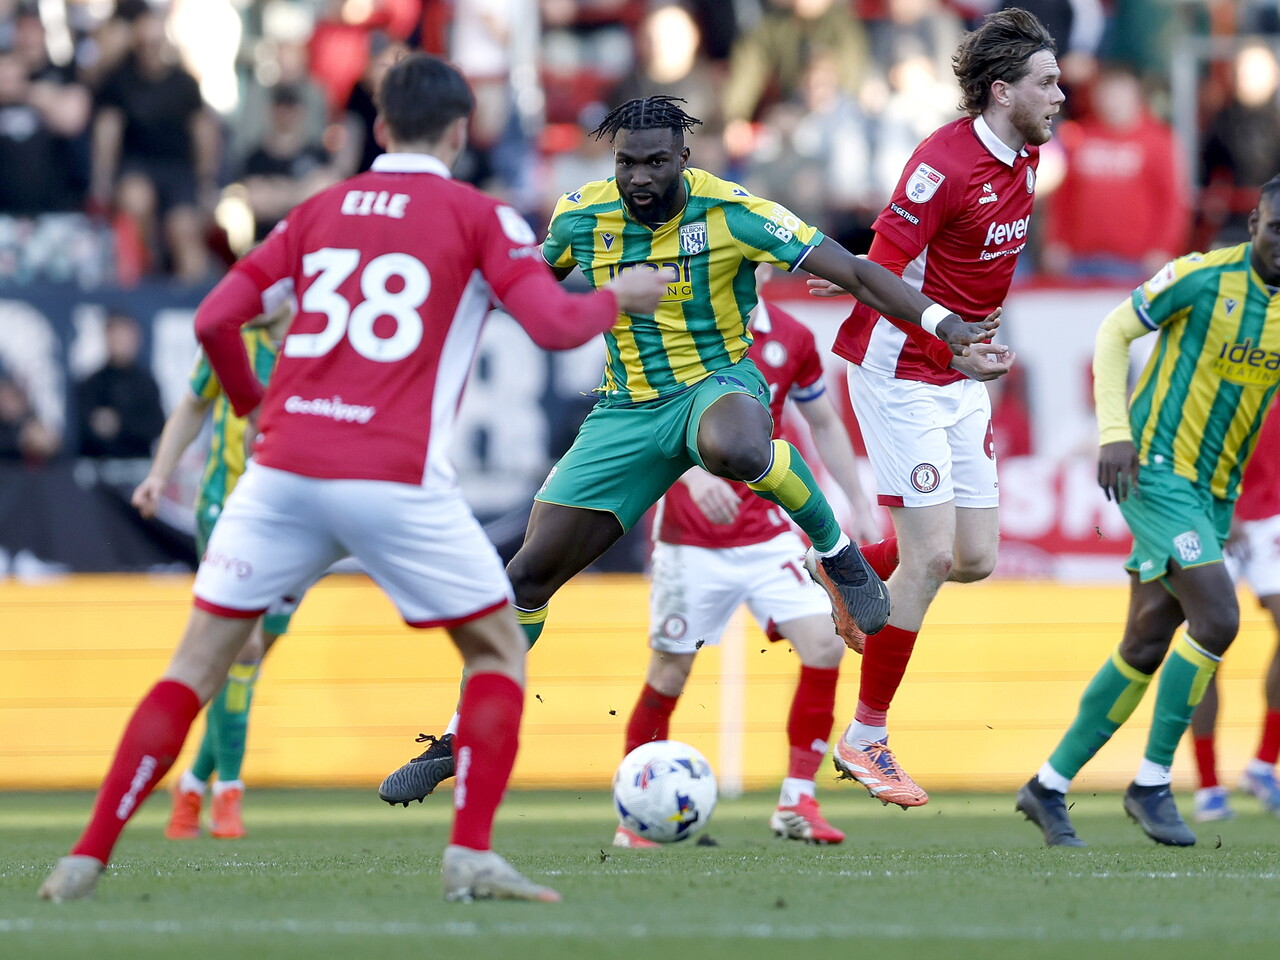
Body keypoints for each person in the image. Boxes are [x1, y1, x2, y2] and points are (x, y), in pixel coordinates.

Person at [37, 52, 672, 905]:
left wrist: (255, 403)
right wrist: (619, 298)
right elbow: (556, 326)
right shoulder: (480, 217)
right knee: (495, 653)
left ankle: (86, 854)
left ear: (376, 126)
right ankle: (471, 853)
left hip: (283, 472)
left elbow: (216, 317)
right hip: (395, 476)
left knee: (193, 668)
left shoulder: (316, 212)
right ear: (459, 131)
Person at [377, 93, 1000, 807]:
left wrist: (942, 324)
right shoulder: (581, 214)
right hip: (625, 413)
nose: (638, 178)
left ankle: (836, 553)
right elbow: (525, 292)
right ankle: (462, 735)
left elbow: (856, 272)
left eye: (654, 163)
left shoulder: (734, 210)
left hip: (716, 383)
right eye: (625, 164)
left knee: (737, 444)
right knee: (525, 577)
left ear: (684, 159)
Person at [804, 7, 1053, 807]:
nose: (1060, 96)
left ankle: (840, 570)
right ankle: (867, 737)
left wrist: (976, 347)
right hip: (898, 367)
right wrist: (869, 281)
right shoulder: (940, 163)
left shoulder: (1026, 157)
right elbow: (885, 265)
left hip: (957, 370)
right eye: (1047, 83)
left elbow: (942, 261)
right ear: (1001, 90)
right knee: (934, 556)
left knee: (975, 556)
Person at [1015, 175, 1280, 848]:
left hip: (1215, 492)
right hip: (1157, 472)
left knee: (1144, 642)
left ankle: (1047, 785)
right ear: (1254, 224)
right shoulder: (1199, 277)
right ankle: (1153, 784)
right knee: (1217, 616)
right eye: (1276, 230)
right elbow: (1113, 331)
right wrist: (1114, 431)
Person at [613, 267, 885, 848]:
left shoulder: (793, 337)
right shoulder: (678, 329)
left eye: (751, 257)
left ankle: (796, 803)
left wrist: (857, 500)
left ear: (763, 266)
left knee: (825, 643)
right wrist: (687, 475)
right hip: (691, 540)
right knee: (669, 672)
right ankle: (635, 816)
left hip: (766, 533)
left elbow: (823, 420)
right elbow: (642, 417)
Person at [130, 305, 295, 841]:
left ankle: (193, 782)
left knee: (247, 659)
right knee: (242, 647)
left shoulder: (325, 334)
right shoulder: (232, 340)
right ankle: (229, 792)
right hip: (228, 508)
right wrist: (159, 474)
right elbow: (193, 404)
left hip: (300, 520)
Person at [1186, 407, 1280, 822]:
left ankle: (1262, 765)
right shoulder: (1216, 360)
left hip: (1271, 515)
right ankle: (1208, 786)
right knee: (1207, 645)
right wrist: (1229, 508)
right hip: (1214, 516)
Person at [76, 311, 165, 459]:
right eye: (114, 334)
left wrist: (119, 424)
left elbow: (156, 425)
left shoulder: (146, 383)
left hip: (138, 464)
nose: (119, 341)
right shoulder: (91, 383)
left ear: (136, 338)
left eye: (124, 335)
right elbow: (79, 429)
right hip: (98, 466)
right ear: (105, 337)